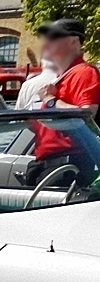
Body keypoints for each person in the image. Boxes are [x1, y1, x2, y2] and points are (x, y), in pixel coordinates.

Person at [28, 19, 100, 185]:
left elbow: (86, 114)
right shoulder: (61, 78)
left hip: (69, 163)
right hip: (48, 162)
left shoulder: (85, 72)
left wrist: (51, 101)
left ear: (74, 41)